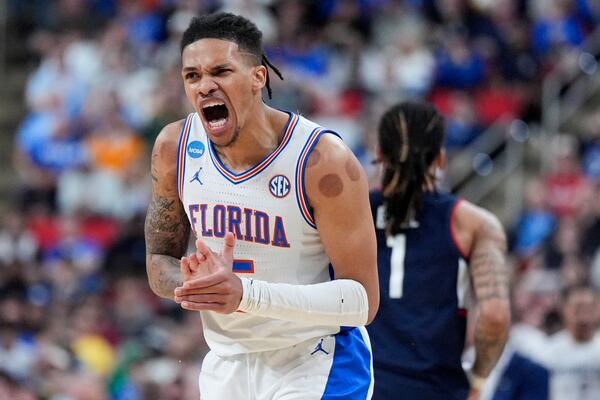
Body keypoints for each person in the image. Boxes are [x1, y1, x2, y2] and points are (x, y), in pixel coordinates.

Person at [144, 12, 379, 400]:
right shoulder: (174, 148)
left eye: (221, 71)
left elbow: (363, 302)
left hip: (316, 359)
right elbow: (158, 263)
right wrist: (196, 286)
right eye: (193, 76)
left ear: (258, 77)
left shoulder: (323, 161)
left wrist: (245, 293)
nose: (205, 86)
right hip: (228, 363)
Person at [366, 101, 510, 400]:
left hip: (361, 385)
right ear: (441, 159)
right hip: (436, 388)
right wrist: (479, 378)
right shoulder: (473, 223)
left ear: (378, 154)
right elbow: (495, 316)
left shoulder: (350, 214)